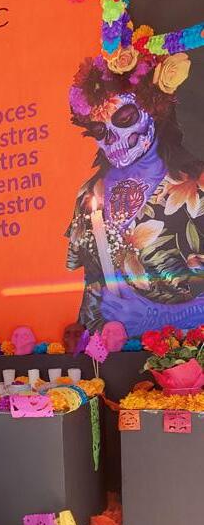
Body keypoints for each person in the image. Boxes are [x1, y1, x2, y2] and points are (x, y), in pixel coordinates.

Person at [66, 52, 203, 335]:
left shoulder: (197, 186)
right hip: (114, 356)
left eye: (125, 118)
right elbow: (91, 292)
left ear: (153, 108)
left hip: (188, 355)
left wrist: (160, 317)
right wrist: (91, 348)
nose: (112, 139)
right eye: (99, 129)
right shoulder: (89, 195)